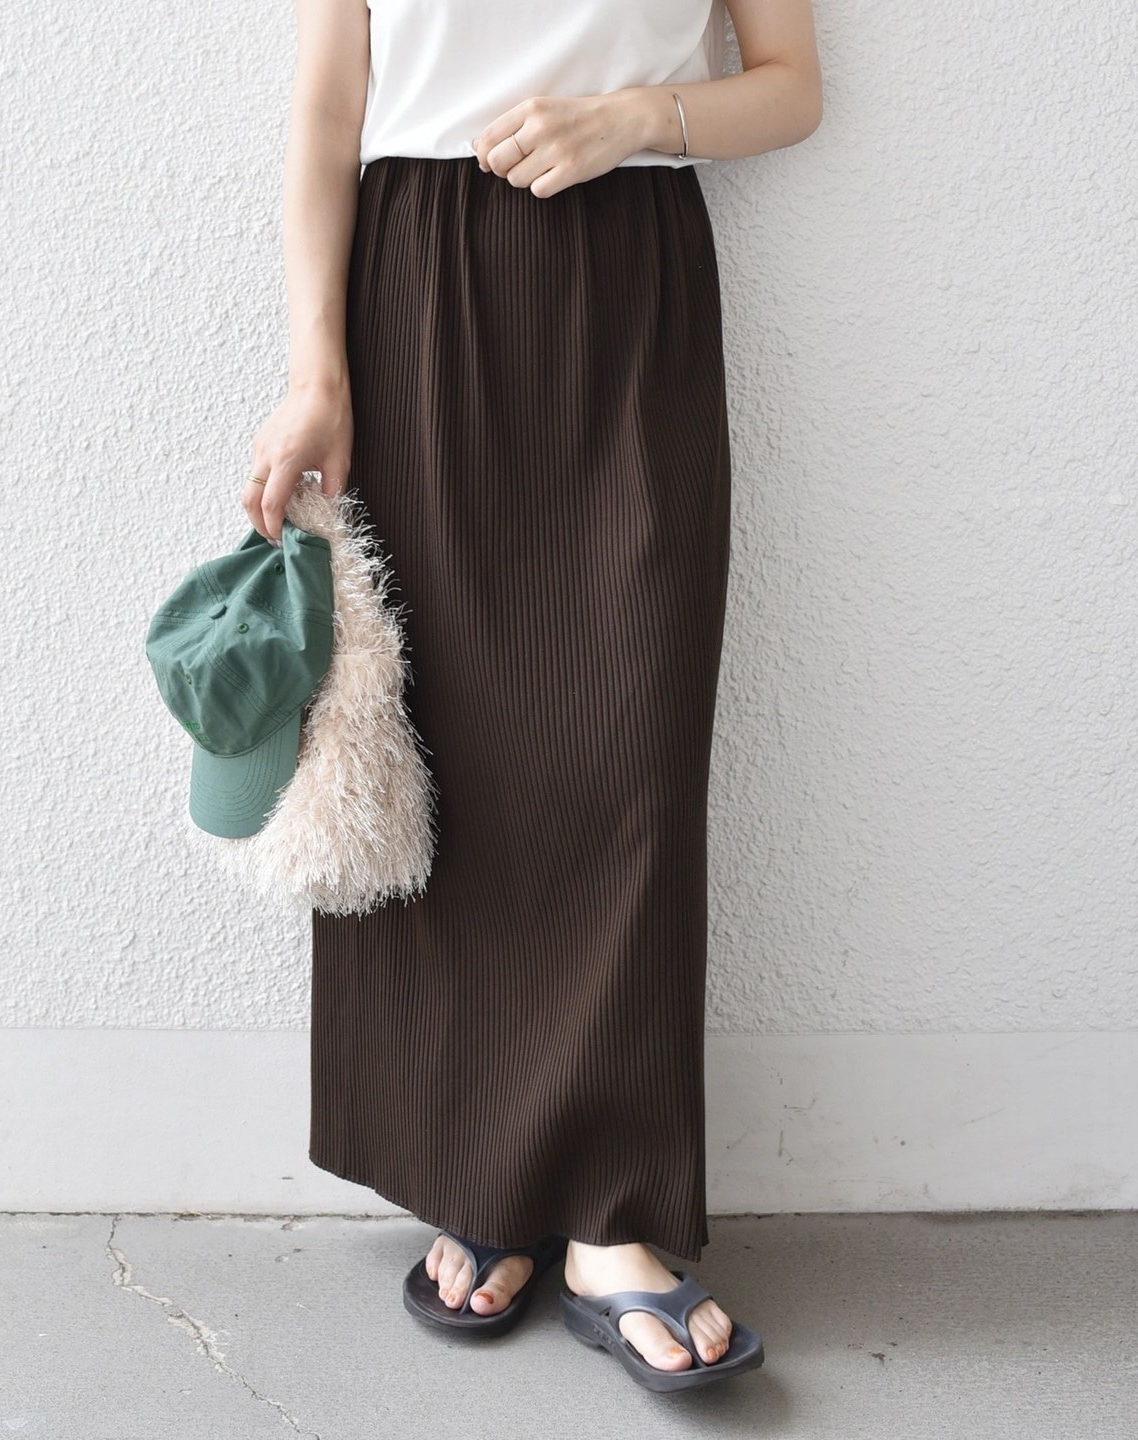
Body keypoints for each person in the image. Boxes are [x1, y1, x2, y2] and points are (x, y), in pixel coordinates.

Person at [243, 0, 822, 1394]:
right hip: (416, 286)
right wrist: (316, 370)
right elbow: (329, 110)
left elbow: (791, 85)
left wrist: (635, 119)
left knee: (632, 744)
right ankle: (482, 1173)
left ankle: (614, 1214)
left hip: (629, 273)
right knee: (447, 744)